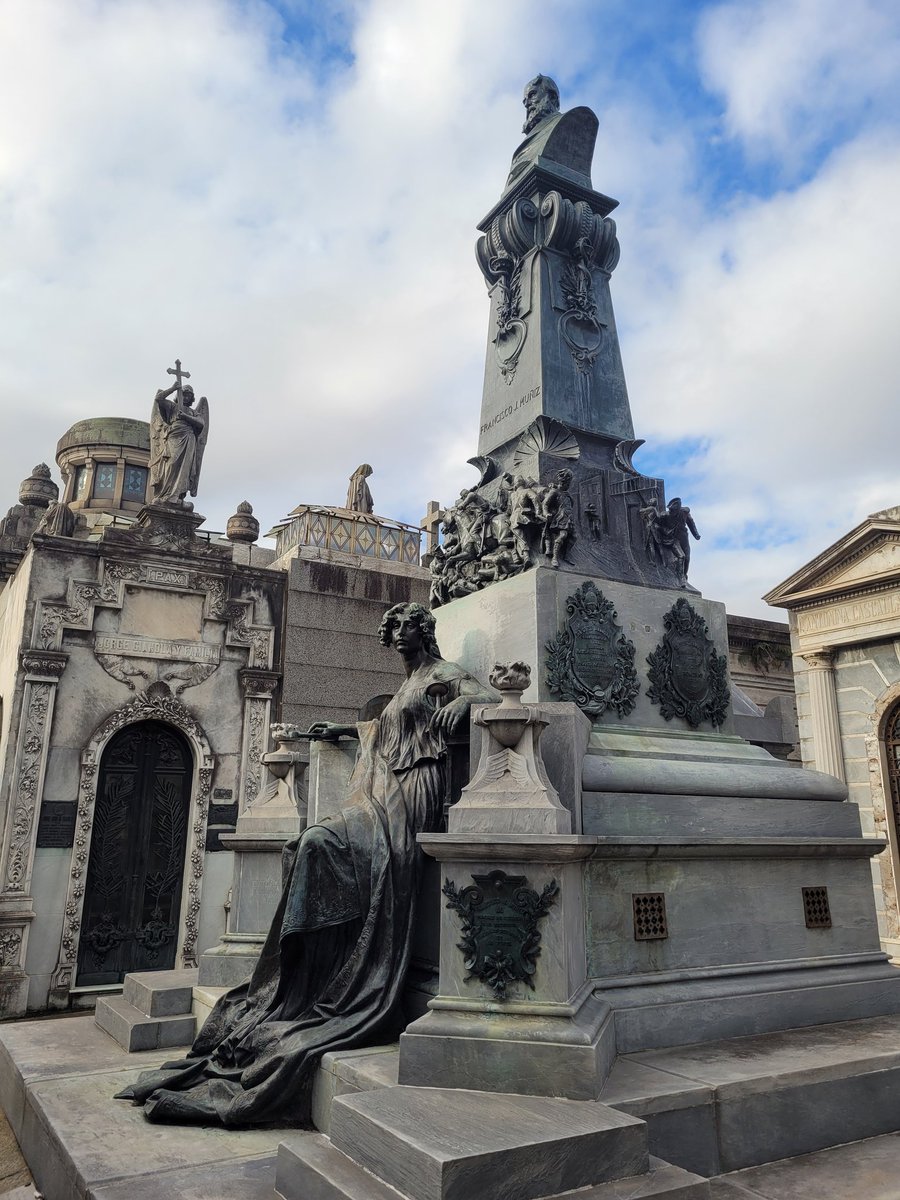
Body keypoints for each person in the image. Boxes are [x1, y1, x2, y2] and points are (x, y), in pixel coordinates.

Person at [117, 602, 495, 1128]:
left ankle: (329, 977)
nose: (396, 637)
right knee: (307, 845)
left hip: (414, 790)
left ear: (424, 631)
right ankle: (300, 979)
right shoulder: (406, 686)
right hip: (380, 789)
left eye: (404, 628)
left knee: (320, 843)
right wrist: (343, 729)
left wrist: (465, 706)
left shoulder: (441, 675)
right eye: (392, 631)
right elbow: (379, 734)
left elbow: (489, 696)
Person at [149, 384, 209, 506]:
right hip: (174, 438)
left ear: (192, 398)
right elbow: (158, 399)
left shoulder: (193, 412)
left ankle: (177, 496)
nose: (186, 397)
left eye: (189, 395)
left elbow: (201, 423)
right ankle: (165, 494)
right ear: (178, 395)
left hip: (189, 438)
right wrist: (173, 388)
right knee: (170, 465)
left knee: (185, 469)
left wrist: (185, 416)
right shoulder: (172, 406)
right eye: (184, 394)